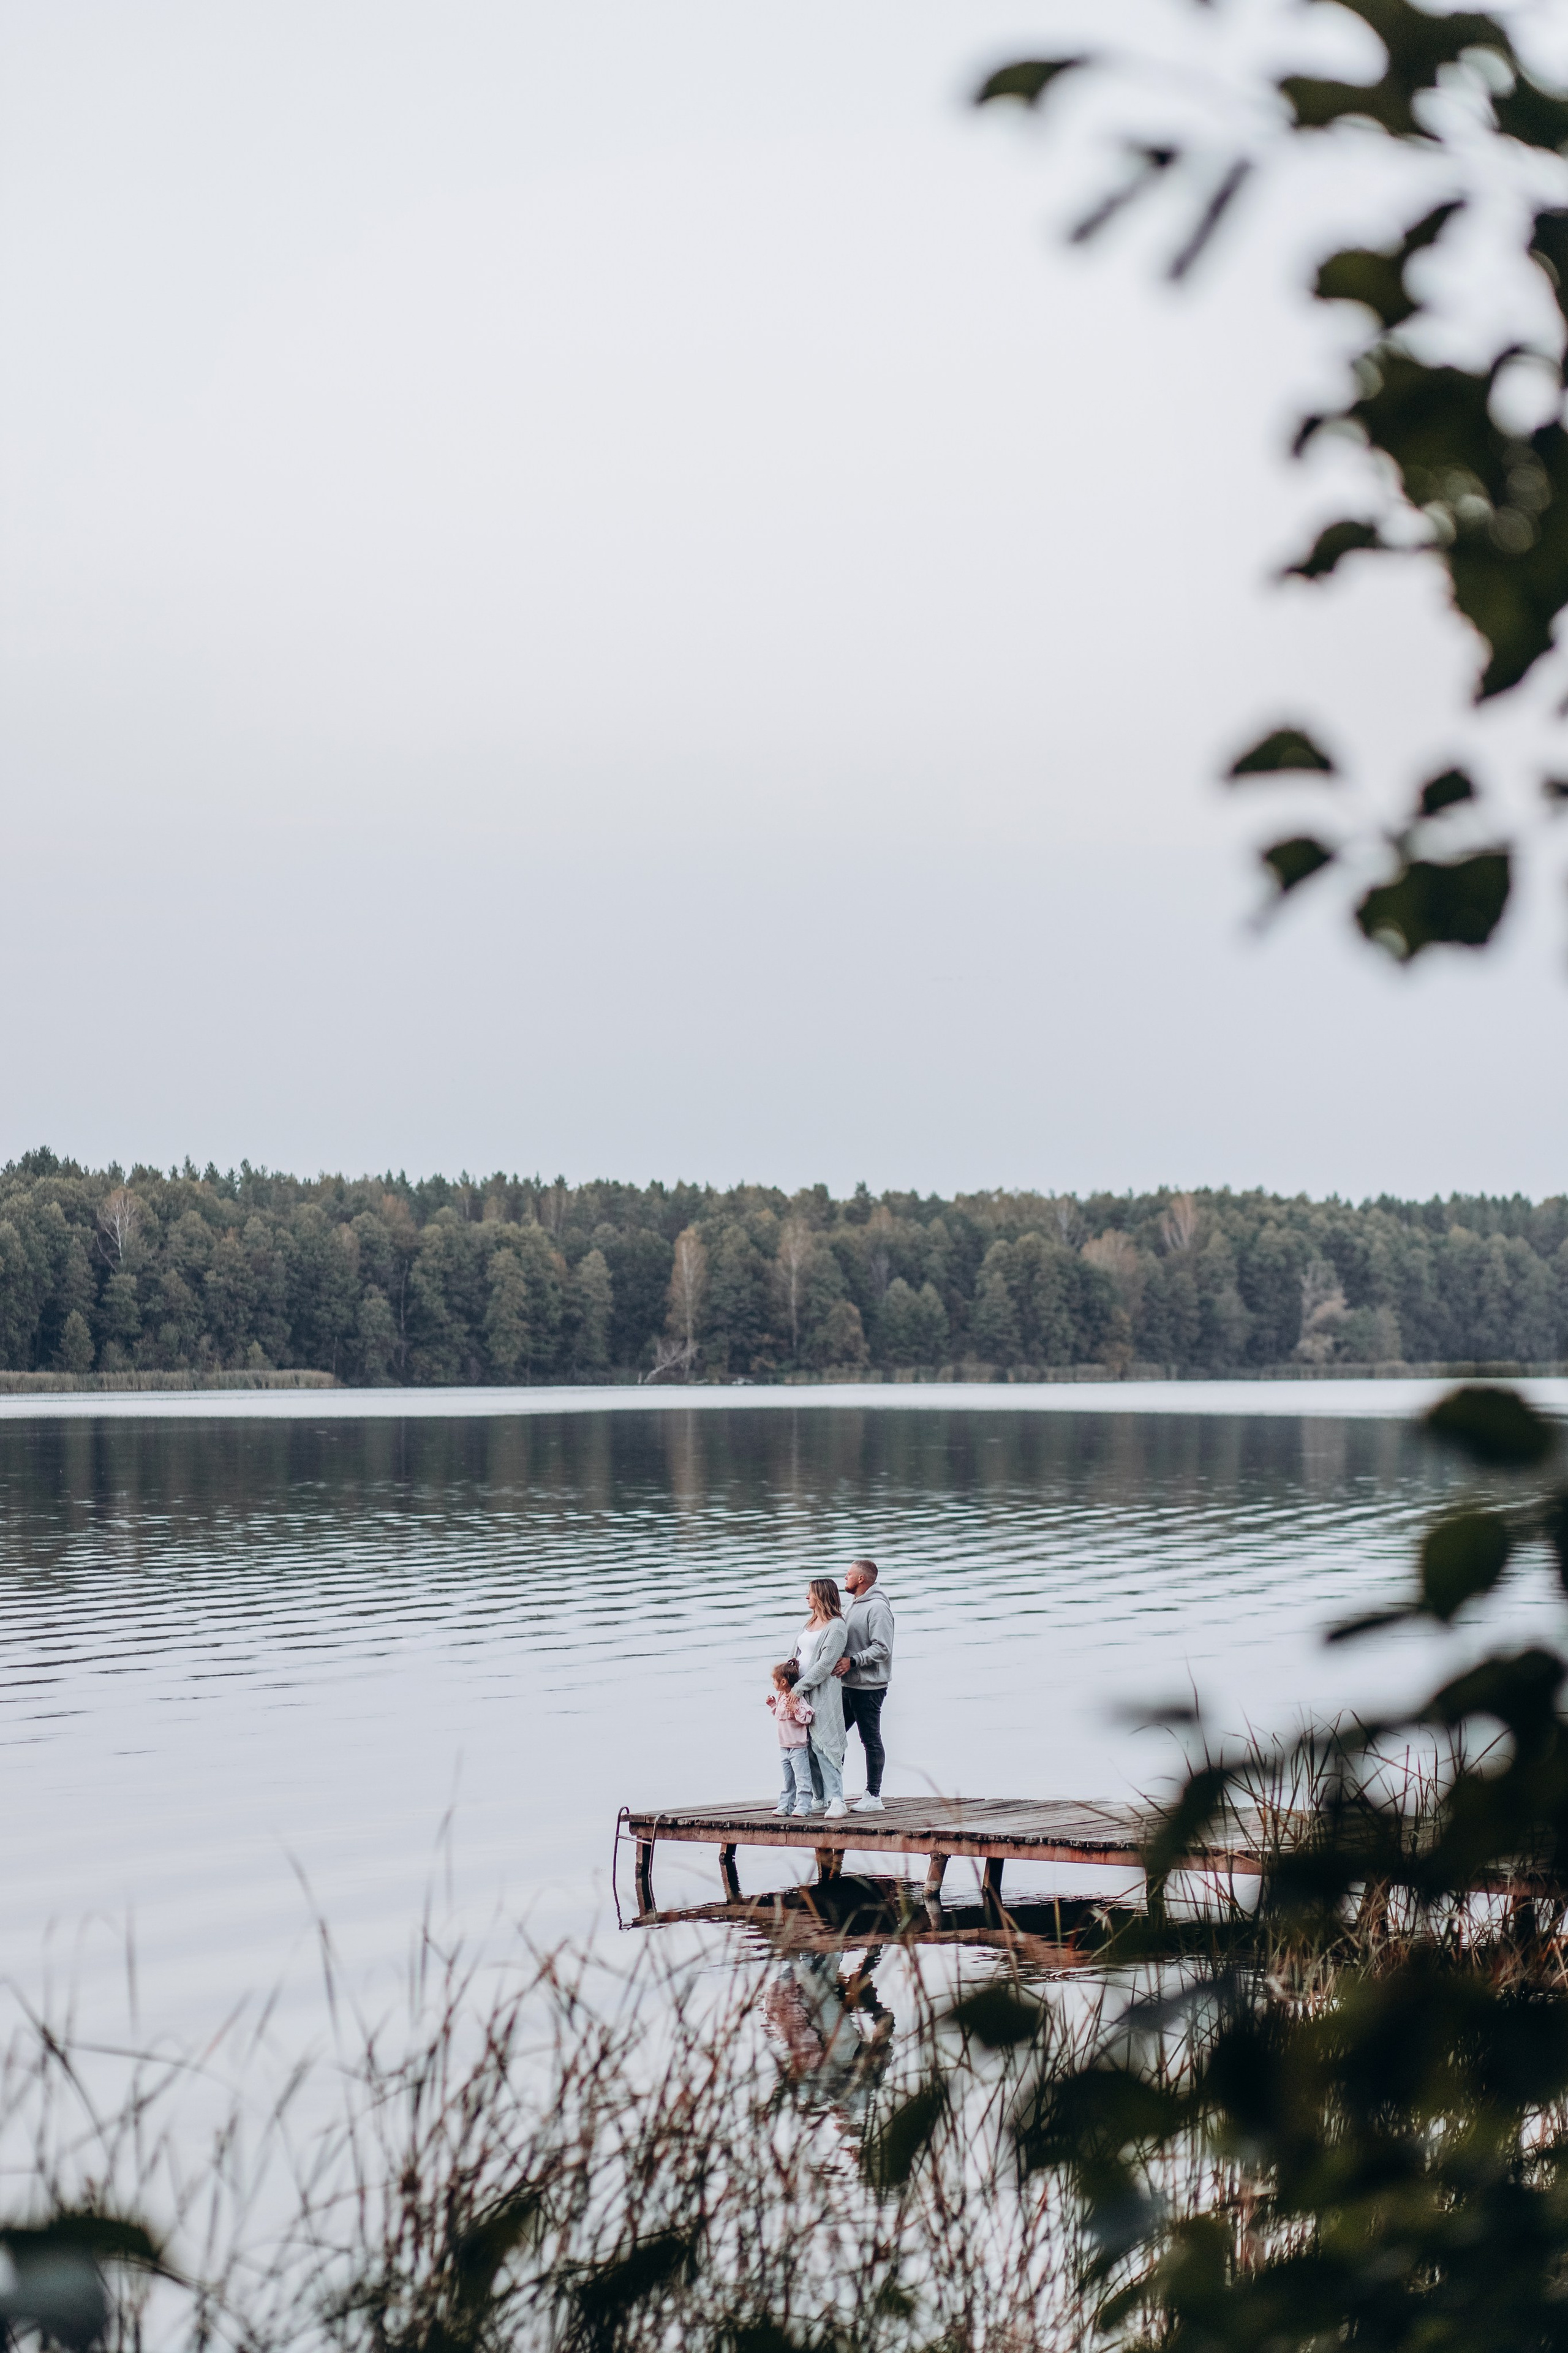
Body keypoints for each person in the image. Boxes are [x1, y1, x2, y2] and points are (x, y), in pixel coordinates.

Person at [832, 1557, 894, 1813]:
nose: (844, 1578)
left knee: (870, 1739)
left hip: (869, 1687)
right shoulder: (853, 1604)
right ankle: (831, 1793)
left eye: (848, 1574)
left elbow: (882, 1648)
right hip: (847, 1684)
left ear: (861, 1579)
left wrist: (853, 1661)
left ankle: (873, 1796)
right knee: (833, 1738)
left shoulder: (878, 1608)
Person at [793, 1577, 849, 1819]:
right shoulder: (811, 1622)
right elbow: (795, 1654)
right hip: (799, 1691)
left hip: (822, 1692)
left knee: (824, 1743)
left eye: (810, 1593)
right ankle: (819, 1797)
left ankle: (837, 1799)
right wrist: (787, 1682)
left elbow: (826, 1664)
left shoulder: (836, 1627)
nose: (807, 1597)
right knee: (805, 1747)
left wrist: (800, 1687)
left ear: (822, 1596)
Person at [766, 1660, 815, 1817]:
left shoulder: (797, 1698)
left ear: (783, 1682)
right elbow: (781, 1716)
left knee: (802, 1780)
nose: (773, 1683)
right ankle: (785, 1805)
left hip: (797, 1747)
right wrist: (774, 1705)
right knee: (788, 1780)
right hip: (784, 1747)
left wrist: (796, 1710)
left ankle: (804, 1806)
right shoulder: (781, 1698)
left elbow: (807, 1717)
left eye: (774, 1680)